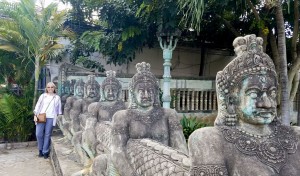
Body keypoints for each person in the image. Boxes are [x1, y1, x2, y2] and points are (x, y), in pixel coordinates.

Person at [188, 34, 300, 176]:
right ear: (231, 99)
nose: (267, 104)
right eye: (254, 93)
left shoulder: (296, 136)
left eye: (272, 93)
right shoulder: (209, 139)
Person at [111, 62, 188, 176]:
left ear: (156, 93)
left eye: (150, 91)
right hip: (133, 169)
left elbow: (180, 149)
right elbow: (117, 152)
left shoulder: (169, 115)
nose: (146, 95)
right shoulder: (122, 116)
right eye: (141, 91)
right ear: (133, 93)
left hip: (165, 170)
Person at [33, 82, 62, 159]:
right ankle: (40, 149)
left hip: (51, 117)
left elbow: (59, 110)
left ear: (54, 88)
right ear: (46, 88)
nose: (50, 89)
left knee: (47, 134)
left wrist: (59, 117)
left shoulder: (57, 98)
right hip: (41, 116)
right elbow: (37, 106)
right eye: (48, 87)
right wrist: (35, 115)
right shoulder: (43, 96)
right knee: (38, 134)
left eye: (52, 87)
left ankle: (45, 151)